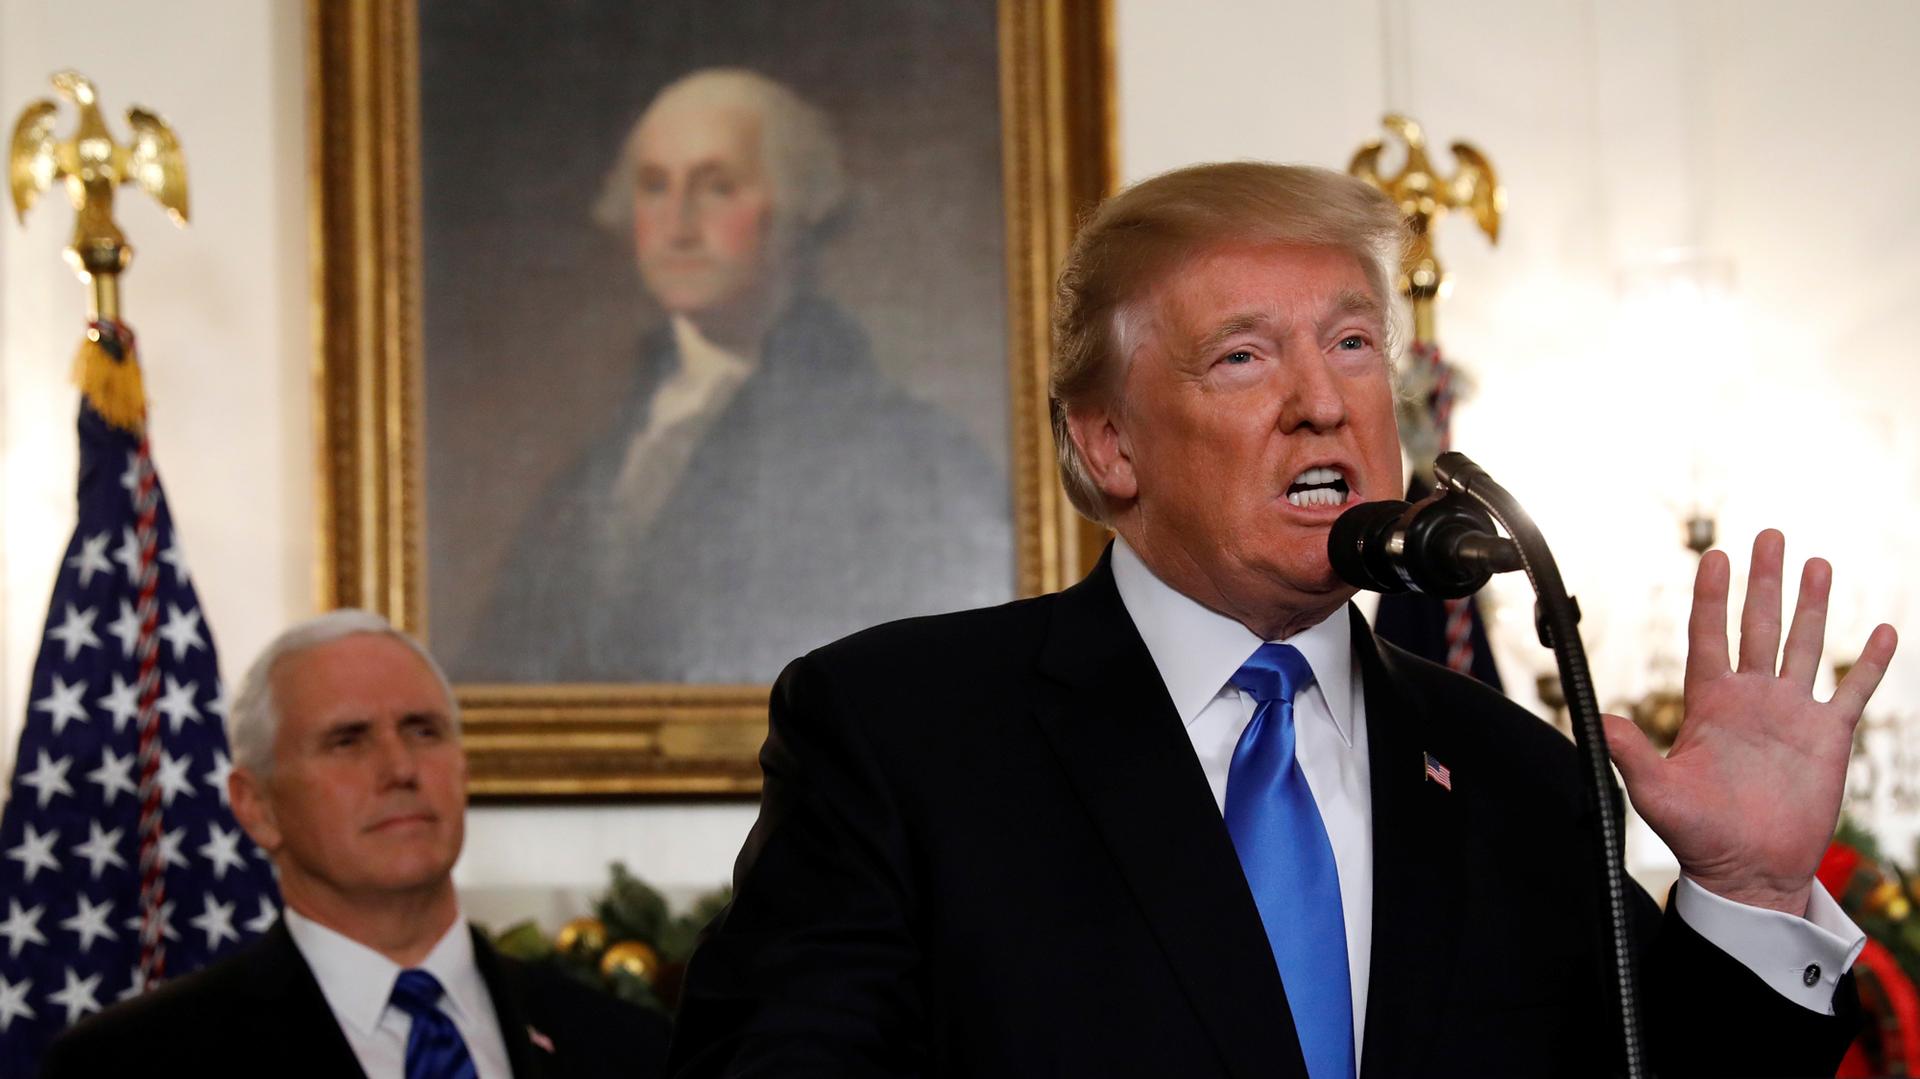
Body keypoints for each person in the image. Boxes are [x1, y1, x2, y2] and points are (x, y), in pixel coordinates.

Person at [665, 163, 1900, 1077]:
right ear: (1109, 443)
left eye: (1355, 343)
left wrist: (1748, 885)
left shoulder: (1520, 774)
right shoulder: (903, 734)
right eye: (1245, 358)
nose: (1322, 401)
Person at [463, 68, 1010, 684]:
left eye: (717, 187)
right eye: (653, 186)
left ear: (795, 208)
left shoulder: (905, 453)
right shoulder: (601, 463)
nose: (678, 222)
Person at [41, 610, 670, 1078]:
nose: (400, 768)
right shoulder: (130, 1065)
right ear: (256, 806)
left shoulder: (631, 1049)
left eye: (424, 731)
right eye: (348, 741)